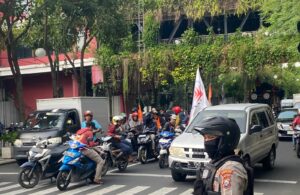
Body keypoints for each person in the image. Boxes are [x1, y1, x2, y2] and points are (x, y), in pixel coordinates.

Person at [193, 116, 253, 195]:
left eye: (211, 137)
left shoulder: (230, 169)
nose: (206, 142)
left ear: (225, 141)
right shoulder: (218, 163)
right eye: (205, 138)